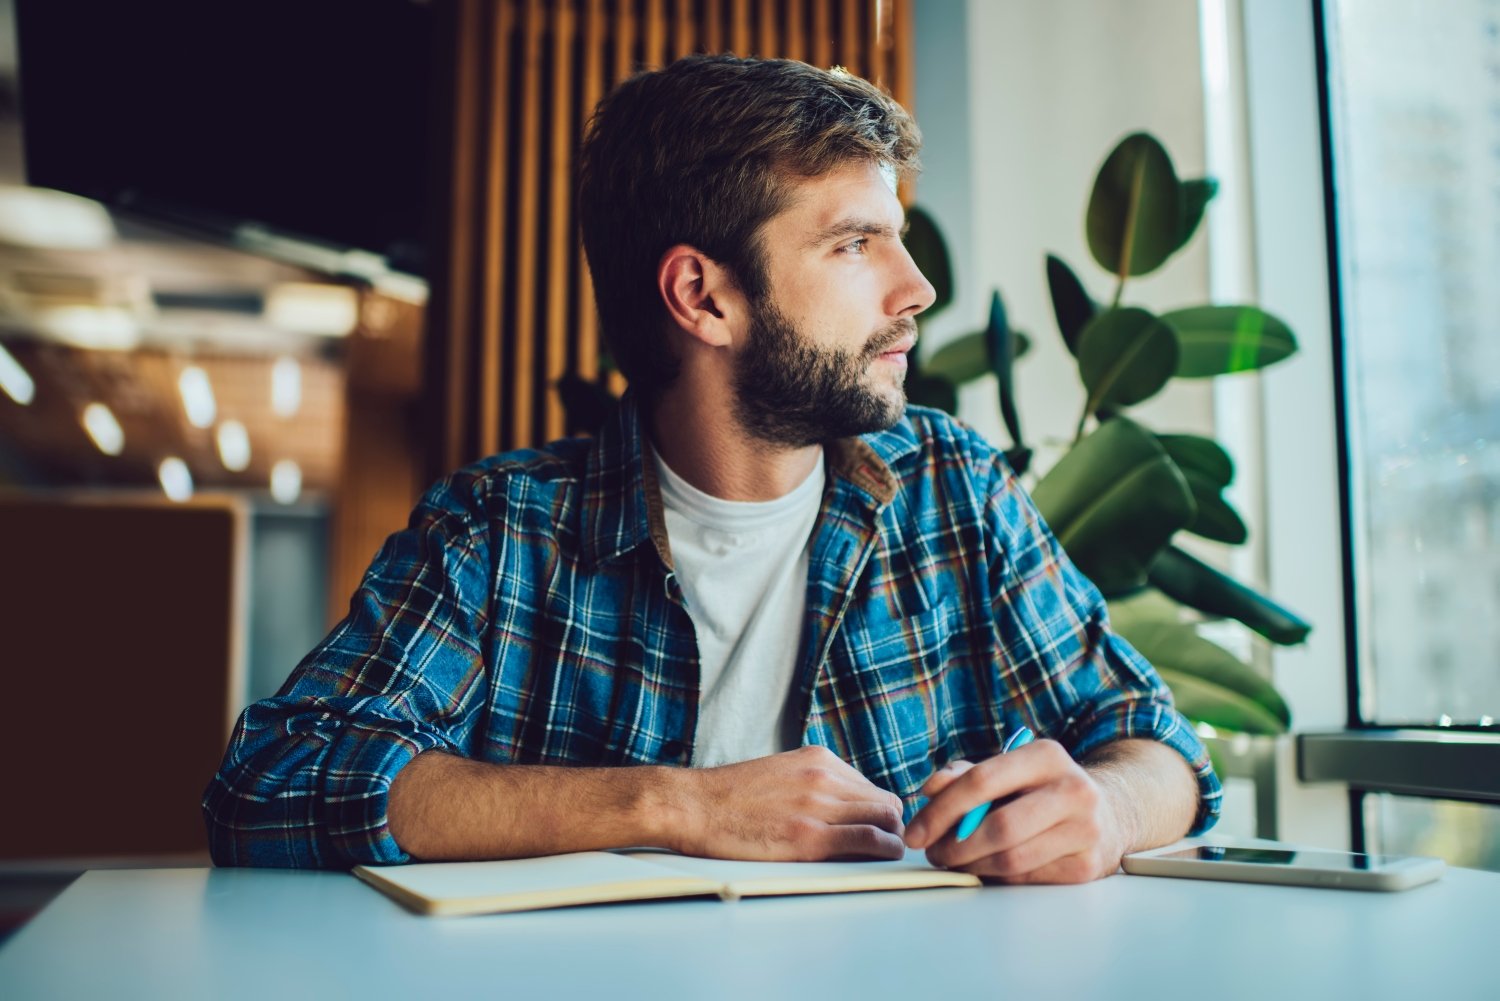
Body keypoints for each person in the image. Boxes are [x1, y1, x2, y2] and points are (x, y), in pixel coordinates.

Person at [203, 54, 1220, 883]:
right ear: (703, 296)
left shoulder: (952, 488)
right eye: (856, 245)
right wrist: (674, 803)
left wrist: (1110, 804)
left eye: (897, 241)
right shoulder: (503, 530)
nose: (914, 289)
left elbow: (1158, 742)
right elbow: (269, 781)